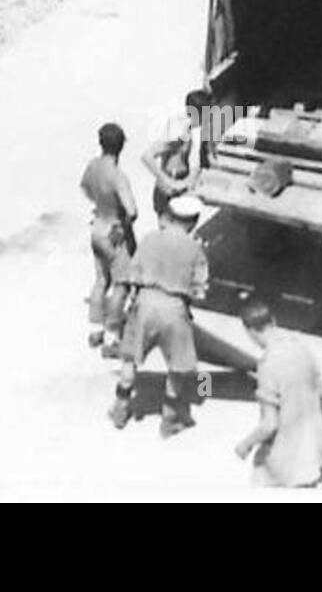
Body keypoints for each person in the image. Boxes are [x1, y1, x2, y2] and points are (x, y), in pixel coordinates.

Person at [108, 195, 208, 436]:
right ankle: (170, 418)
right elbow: (200, 292)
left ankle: (120, 408)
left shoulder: (149, 239)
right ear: (193, 222)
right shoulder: (196, 250)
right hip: (174, 309)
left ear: (170, 217)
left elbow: (132, 275)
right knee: (178, 364)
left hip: (145, 303)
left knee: (130, 358)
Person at [234, 300, 322, 487]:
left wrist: (245, 445)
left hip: (285, 466)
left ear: (250, 331)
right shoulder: (302, 349)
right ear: (274, 321)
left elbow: (269, 425)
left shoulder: (268, 365)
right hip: (315, 454)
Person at [80, 123, 138, 351]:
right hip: (113, 231)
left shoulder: (92, 166)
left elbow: (85, 189)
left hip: (97, 228)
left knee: (101, 280)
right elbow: (132, 211)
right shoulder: (117, 176)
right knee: (121, 285)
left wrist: (99, 205)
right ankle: (113, 334)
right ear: (121, 146)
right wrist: (121, 226)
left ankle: (94, 330)